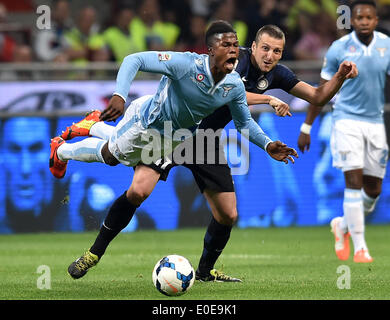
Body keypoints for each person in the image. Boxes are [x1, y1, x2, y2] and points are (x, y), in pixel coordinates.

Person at [55, 22, 357, 282]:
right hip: (172, 135)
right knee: (137, 191)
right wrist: (267, 100)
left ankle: (204, 272)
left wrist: (340, 77)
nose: (270, 56)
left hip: (207, 140)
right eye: (265, 48)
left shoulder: (277, 75)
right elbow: (230, 92)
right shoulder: (230, 60)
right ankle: (93, 253)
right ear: (252, 46)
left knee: (228, 214)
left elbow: (317, 95)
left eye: (277, 51)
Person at [297, 0, 390, 263]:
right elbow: (321, 92)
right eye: (359, 17)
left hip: (375, 122)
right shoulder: (339, 48)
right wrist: (306, 126)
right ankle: (360, 247)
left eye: (368, 17)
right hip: (346, 121)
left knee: (373, 190)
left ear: (375, 19)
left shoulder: (386, 45)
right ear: (352, 20)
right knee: (354, 182)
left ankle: (343, 225)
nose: (363, 21)